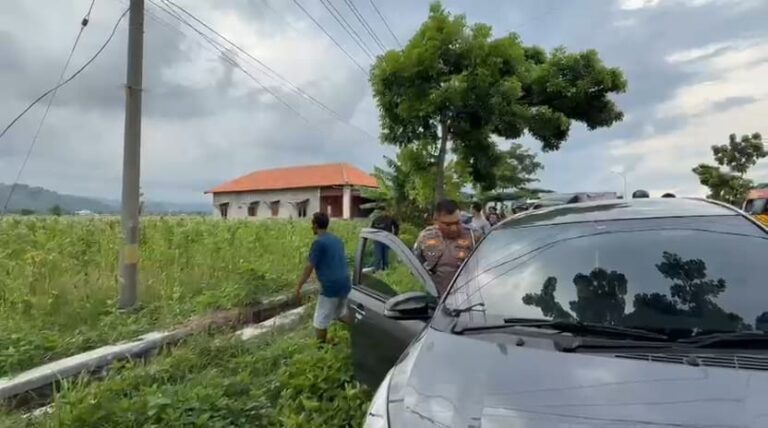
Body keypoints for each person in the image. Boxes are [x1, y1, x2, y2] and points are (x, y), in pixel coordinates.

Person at [295, 212, 353, 343]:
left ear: (315, 225)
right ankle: (363, 329)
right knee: (340, 313)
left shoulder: (318, 243)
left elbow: (309, 266)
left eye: (312, 224)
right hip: (345, 282)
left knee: (319, 321)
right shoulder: (337, 240)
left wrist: (299, 286)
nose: (311, 227)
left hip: (331, 286)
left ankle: (321, 347)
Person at [413, 199, 476, 296]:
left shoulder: (473, 236)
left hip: (466, 298)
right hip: (435, 298)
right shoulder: (425, 237)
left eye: (457, 222)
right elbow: (415, 266)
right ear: (436, 221)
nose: (454, 228)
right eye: (448, 224)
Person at [370, 206, 399, 271]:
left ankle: (385, 271)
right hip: (378, 241)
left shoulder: (390, 219)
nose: (382, 213)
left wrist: (395, 235)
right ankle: (377, 271)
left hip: (387, 240)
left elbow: (396, 226)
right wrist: (373, 238)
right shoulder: (376, 220)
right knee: (378, 257)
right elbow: (371, 229)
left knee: (385, 258)